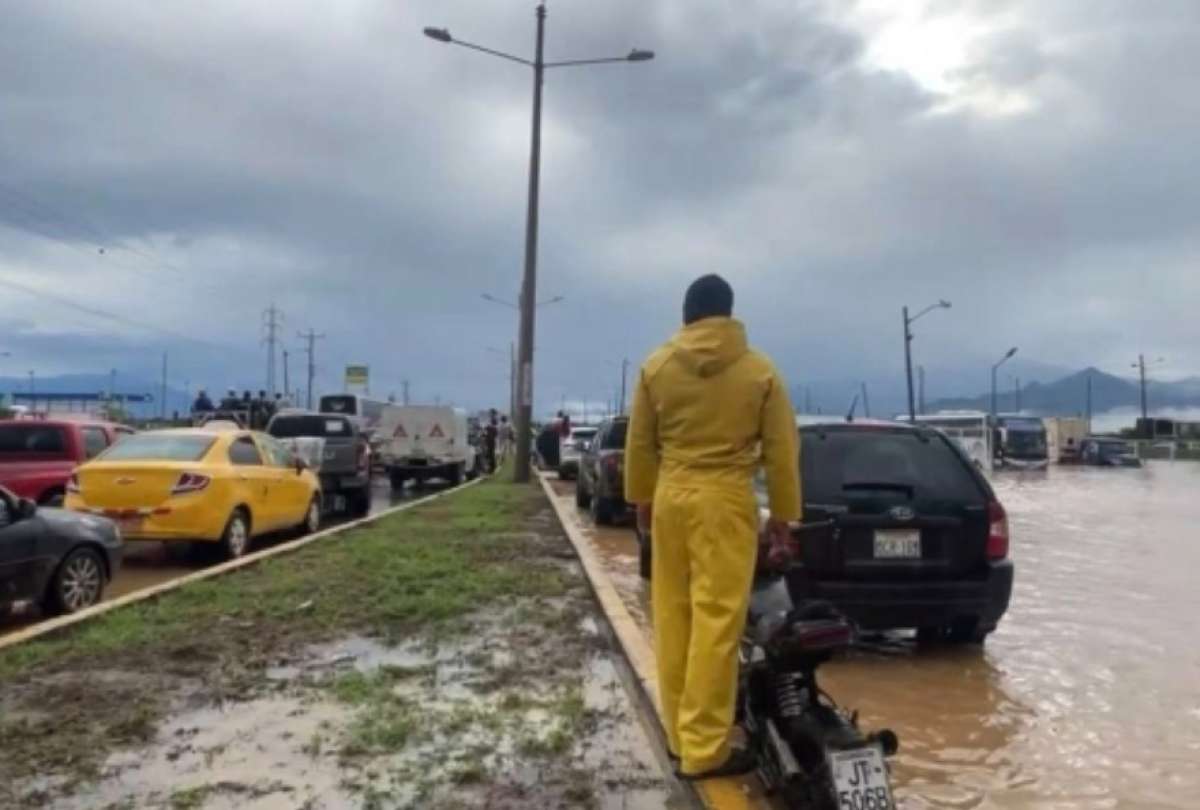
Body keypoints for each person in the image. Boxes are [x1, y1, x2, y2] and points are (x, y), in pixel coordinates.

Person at [625, 274, 801, 781]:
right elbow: (782, 453)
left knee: (673, 618)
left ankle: (680, 738)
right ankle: (706, 749)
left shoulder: (656, 367)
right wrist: (785, 518)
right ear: (728, 314)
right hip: (725, 501)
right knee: (717, 625)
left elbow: (640, 444)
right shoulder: (760, 372)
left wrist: (641, 501)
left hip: (670, 498)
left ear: (687, 315)